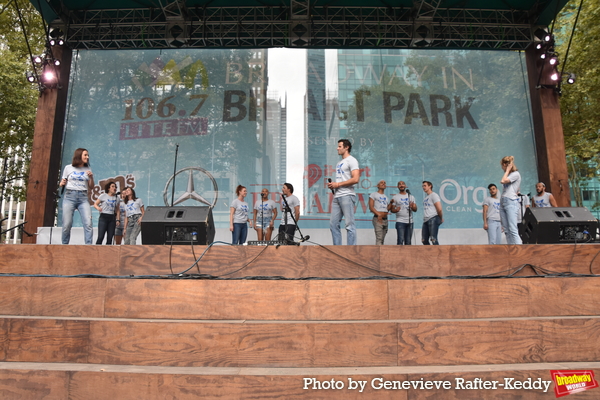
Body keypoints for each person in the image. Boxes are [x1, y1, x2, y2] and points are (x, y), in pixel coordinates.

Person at [328, 139, 360, 245]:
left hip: (347, 195)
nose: (337, 148)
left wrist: (338, 184)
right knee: (333, 224)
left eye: (340, 146)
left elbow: (355, 179)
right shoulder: (339, 163)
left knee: (349, 224)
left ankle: (351, 250)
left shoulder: (352, 160)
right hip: (337, 196)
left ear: (347, 147)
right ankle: (338, 250)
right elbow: (341, 180)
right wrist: (334, 185)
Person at [59, 148, 94, 244]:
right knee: (67, 224)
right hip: (70, 196)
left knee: (88, 223)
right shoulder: (68, 168)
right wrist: (61, 183)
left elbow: (91, 186)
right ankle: (64, 246)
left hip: (83, 197)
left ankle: (89, 246)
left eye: (87, 155)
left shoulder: (88, 168)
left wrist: (91, 177)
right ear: (79, 156)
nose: (87, 157)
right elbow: (62, 182)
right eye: (85, 155)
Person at [499, 156, 522, 245]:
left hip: (511, 202)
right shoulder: (509, 175)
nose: (502, 168)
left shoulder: (515, 174)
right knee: (507, 230)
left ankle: (519, 250)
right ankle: (511, 249)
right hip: (503, 201)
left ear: (505, 165)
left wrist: (508, 170)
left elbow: (503, 181)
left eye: (502, 166)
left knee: (513, 229)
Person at [390, 181, 417, 245]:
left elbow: (415, 209)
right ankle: (399, 255)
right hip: (400, 222)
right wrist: (396, 210)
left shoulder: (411, 197)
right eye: (399, 184)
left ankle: (408, 255)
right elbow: (392, 210)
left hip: (410, 222)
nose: (401, 185)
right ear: (397, 187)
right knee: (400, 240)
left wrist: (412, 207)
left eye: (403, 184)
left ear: (405, 186)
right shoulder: (395, 197)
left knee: (408, 242)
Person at [421, 181, 443, 245]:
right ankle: (429, 254)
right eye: (423, 186)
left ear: (430, 186)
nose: (423, 187)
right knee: (424, 240)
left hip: (433, 218)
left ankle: (438, 254)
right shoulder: (426, 198)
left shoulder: (434, 195)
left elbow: (439, 208)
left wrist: (440, 218)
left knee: (433, 239)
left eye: (425, 186)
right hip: (426, 220)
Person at [368, 180, 389, 245]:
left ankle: (381, 254)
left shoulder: (386, 197)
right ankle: (378, 254)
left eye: (384, 183)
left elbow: (387, 209)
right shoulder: (373, 194)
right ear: (378, 186)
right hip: (378, 219)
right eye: (381, 182)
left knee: (382, 239)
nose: (383, 183)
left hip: (385, 219)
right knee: (379, 238)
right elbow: (371, 207)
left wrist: (391, 204)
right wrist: (379, 214)